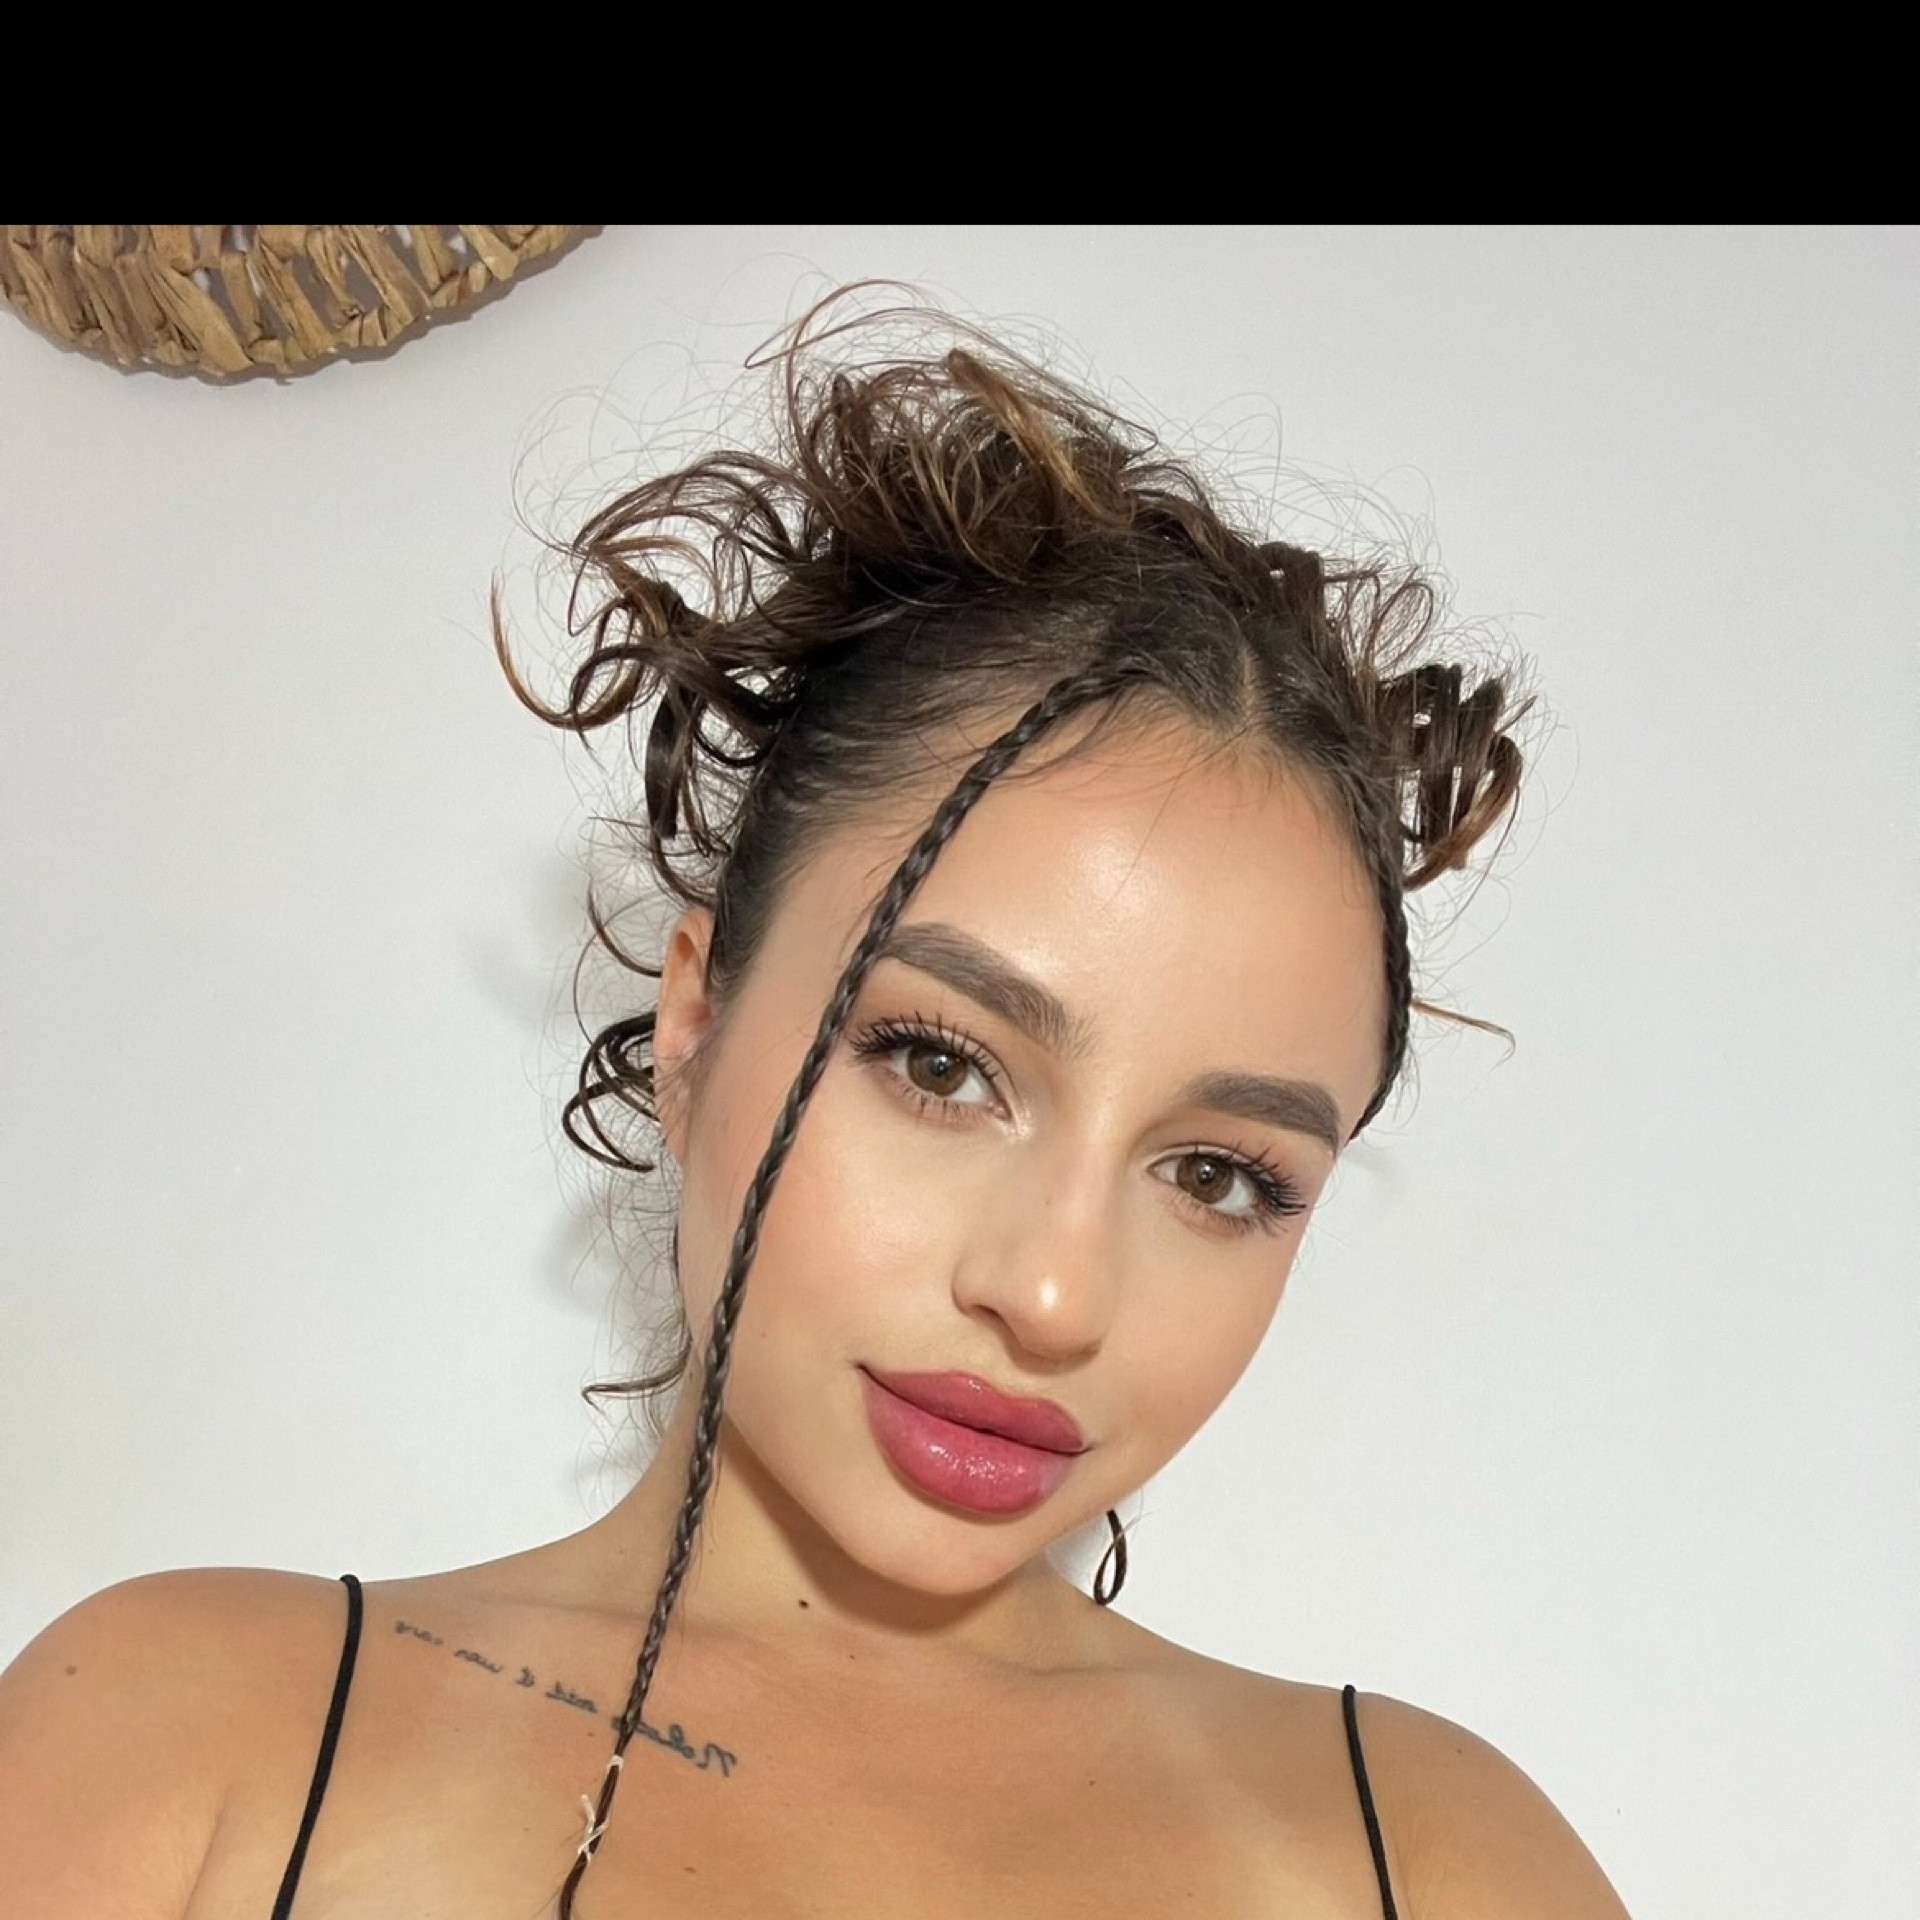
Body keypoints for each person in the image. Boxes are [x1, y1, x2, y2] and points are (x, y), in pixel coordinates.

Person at [0, 294, 1632, 1918]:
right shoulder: (188, 1742)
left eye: (1218, 1175)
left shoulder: (1440, 1863)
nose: (1053, 1293)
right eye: (942, 1064)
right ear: (694, 1023)